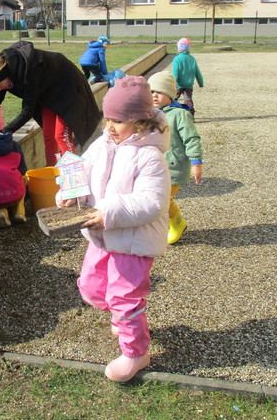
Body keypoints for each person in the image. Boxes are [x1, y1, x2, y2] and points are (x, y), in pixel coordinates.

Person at [57, 76, 170, 383]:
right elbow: (83, 173)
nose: (109, 126)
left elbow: (152, 202)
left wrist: (107, 212)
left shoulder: (150, 156)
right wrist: (71, 193)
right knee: (91, 287)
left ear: (138, 121)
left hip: (133, 241)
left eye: (117, 121)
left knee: (123, 297)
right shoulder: (103, 144)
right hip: (102, 236)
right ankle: (123, 318)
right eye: (107, 119)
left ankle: (136, 352)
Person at [0, 41, 101, 167]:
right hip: (48, 91)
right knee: (48, 135)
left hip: (68, 86)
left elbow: (27, 111)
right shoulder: (5, 71)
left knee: (61, 135)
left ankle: (73, 172)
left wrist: (4, 131)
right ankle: (51, 172)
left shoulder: (28, 73)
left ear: (6, 75)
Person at [148, 71, 203, 244]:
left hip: (173, 166)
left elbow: (191, 139)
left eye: (160, 92)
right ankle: (164, 223)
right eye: (151, 92)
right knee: (154, 197)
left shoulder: (180, 114)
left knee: (163, 199)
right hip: (154, 166)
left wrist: (196, 163)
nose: (154, 95)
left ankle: (177, 223)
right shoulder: (148, 114)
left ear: (171, 94)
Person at [171, 37, 204, 116]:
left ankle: (170, 113)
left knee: (173, 98)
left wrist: (172, 83)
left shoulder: (177, 59)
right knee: (188, 100)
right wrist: (201, 83)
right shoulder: (192, 59)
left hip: (178, 84)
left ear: (179, 48)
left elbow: (175, 73)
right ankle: (191, 115)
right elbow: (197, 72)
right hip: (189, 85)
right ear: (189, 48)